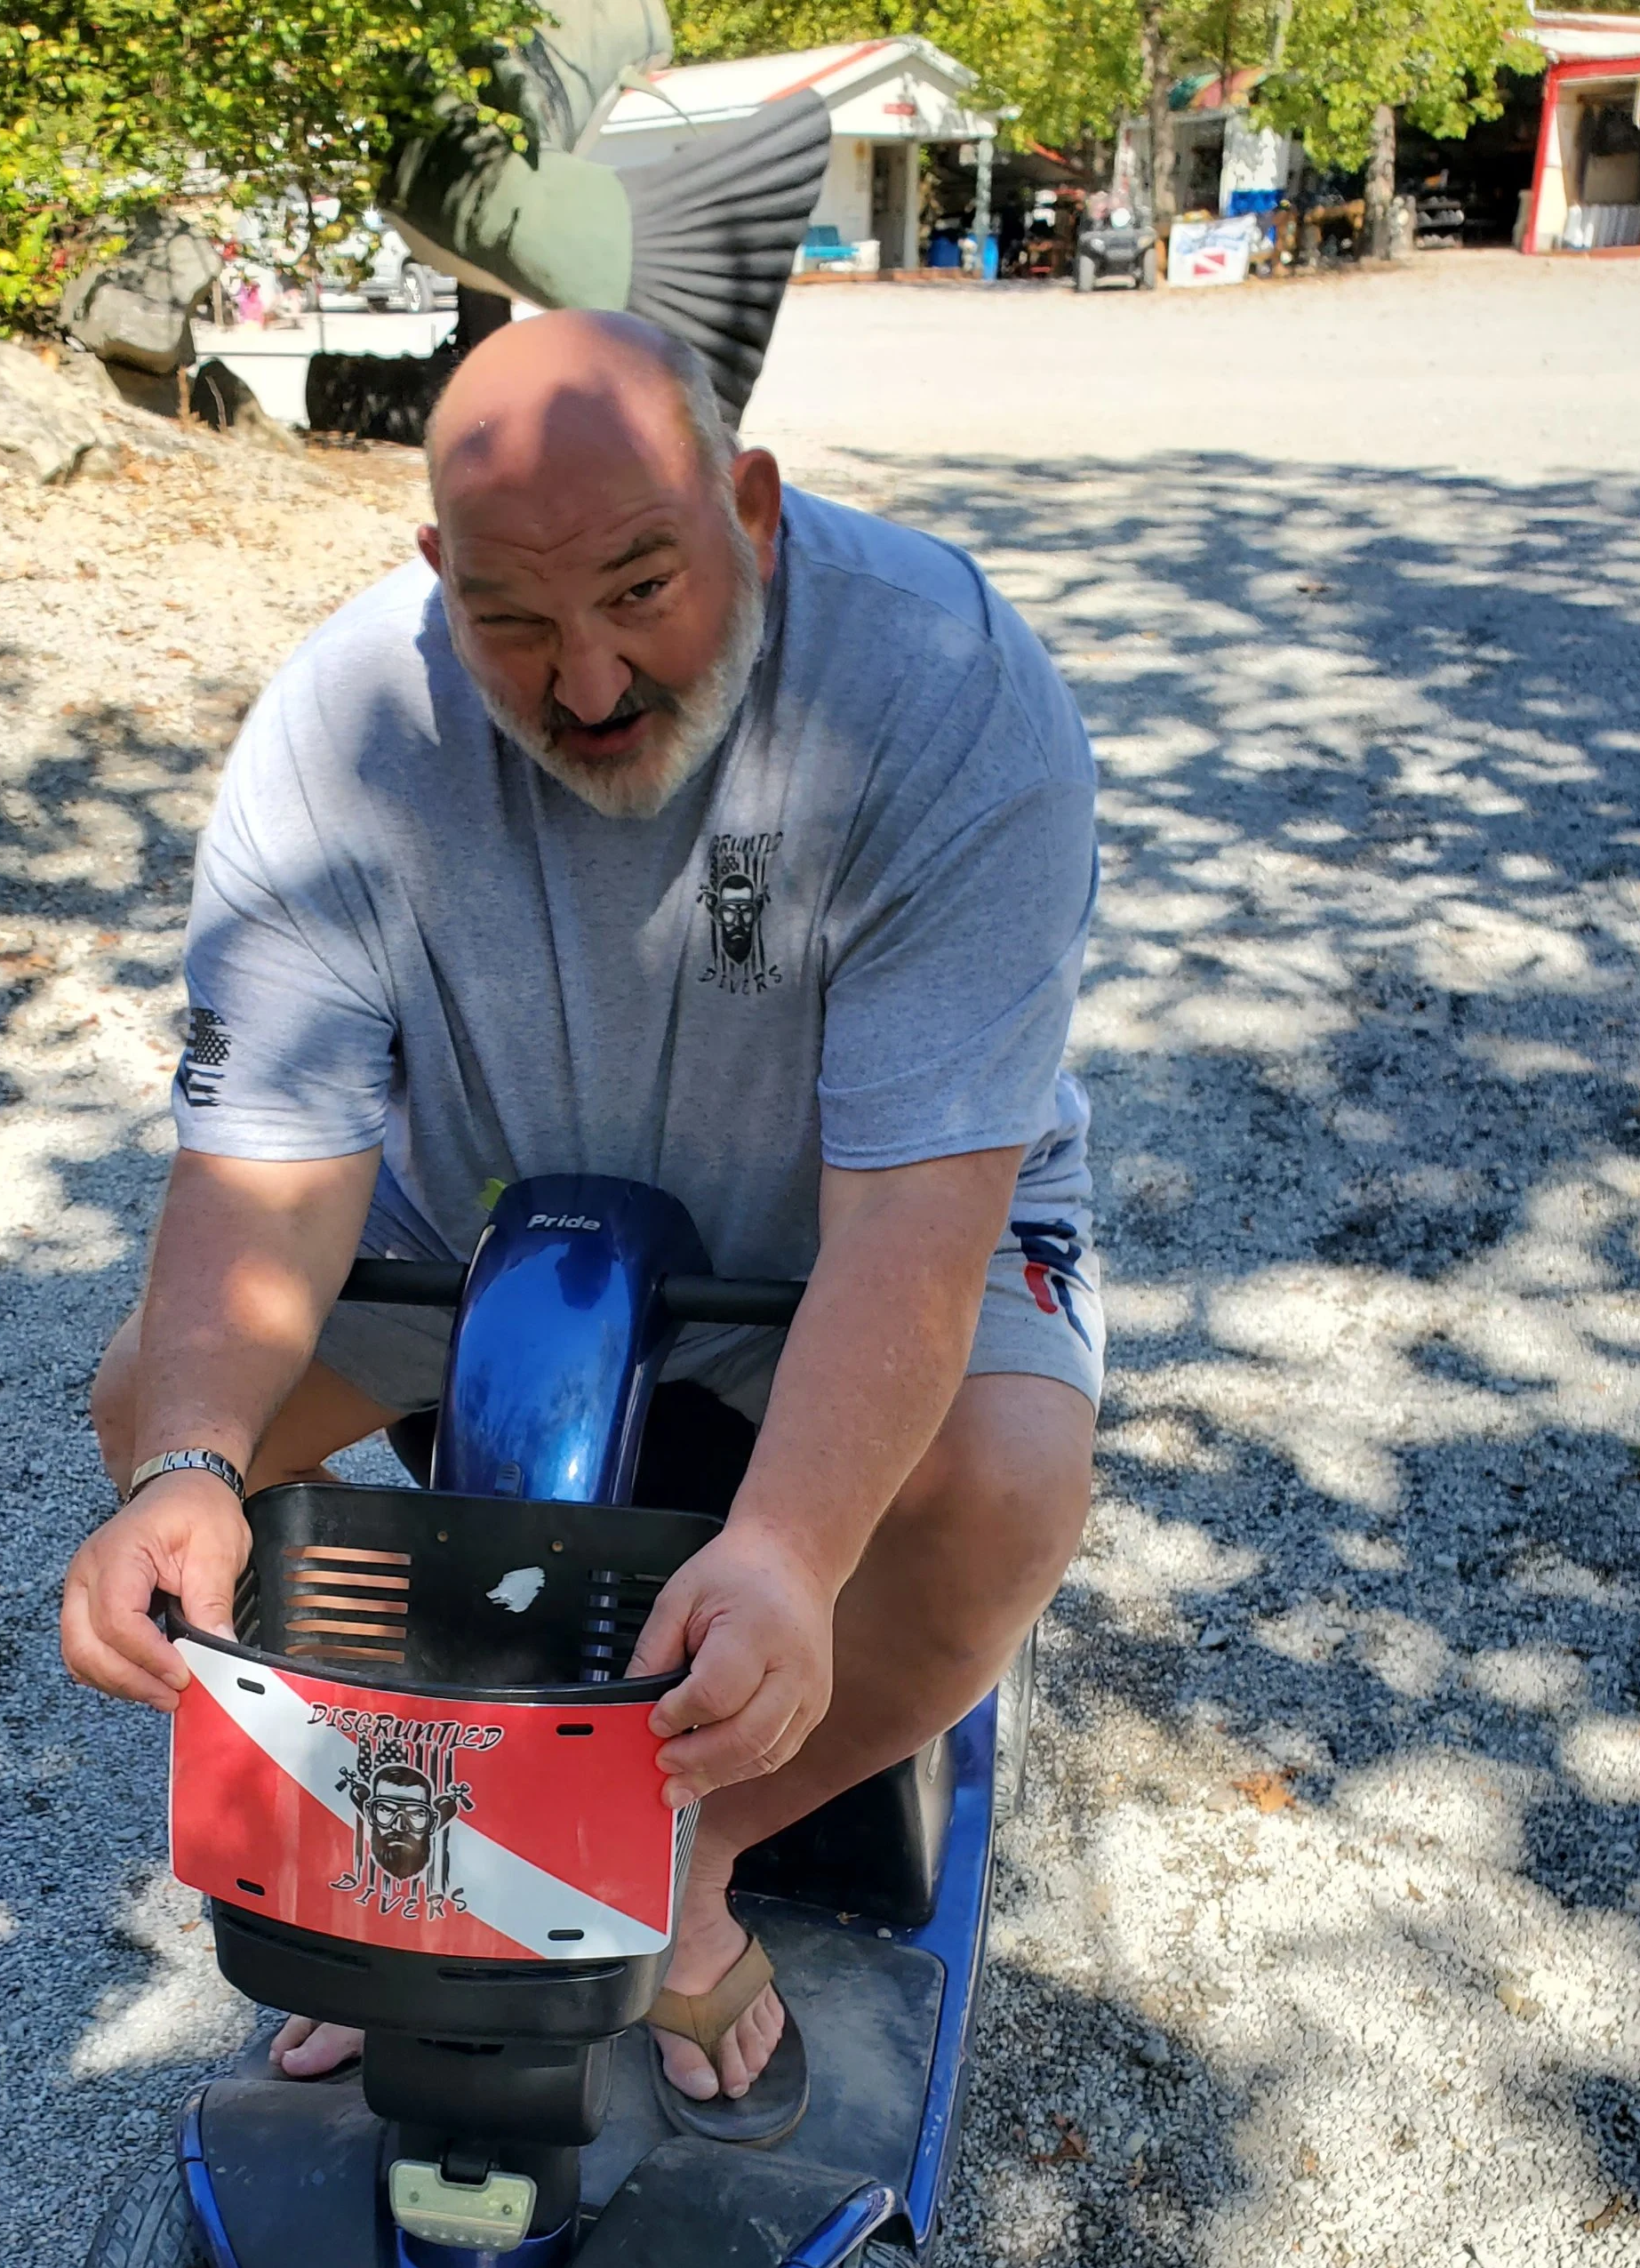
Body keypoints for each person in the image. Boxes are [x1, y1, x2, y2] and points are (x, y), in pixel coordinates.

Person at [60, 308, 1102, 2138]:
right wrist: (184, 1471)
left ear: (751, 510)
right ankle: (419, 1837)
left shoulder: (944, 690)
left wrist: (786, 1543)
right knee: (155, 1396)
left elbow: (909, 1236)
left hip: (841, 1203)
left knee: (1003, 1476)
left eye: (642, 588)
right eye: (515, 621)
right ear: (431, 574)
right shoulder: (338, 729)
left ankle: (680, 1855)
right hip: (479, 1190)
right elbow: (261, 1171)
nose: (593, 678)